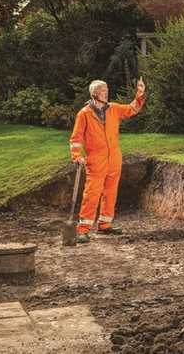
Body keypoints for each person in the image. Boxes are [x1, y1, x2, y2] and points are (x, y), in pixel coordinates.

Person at [70, 77, 146, 243]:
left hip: (114, 158)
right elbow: (76, 138)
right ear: (94, 94)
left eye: (106, 90)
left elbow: (132, 109)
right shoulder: (84, 114)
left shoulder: (114, 108)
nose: (106, 93)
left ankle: (105, 224)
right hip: (96, 160)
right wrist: (76, 155)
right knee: (92, 194)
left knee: (110, 192)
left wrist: (140, 93)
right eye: (103, 91)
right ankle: (83, 230)